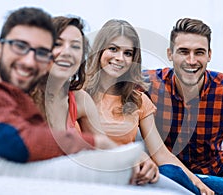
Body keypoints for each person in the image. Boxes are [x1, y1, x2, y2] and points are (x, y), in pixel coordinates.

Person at [29, 16, 193, 194]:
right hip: (66, 181)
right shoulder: (22, 96)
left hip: (111, 176)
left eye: (75, 46)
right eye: (58, 44)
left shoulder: (80, 99)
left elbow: (105, 145)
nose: (67, 52)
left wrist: (136, 156)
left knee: (173, 177)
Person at [143, 17, 223, 195]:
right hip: (173, 172)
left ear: (209, 55)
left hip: (215, 168)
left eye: (199, 52)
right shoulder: (149, 85)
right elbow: (110, 88)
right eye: (183, 51)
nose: (191, 60)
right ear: (170, 54)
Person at [84, 19, 213, 195]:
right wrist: (133, 157)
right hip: (99, 175)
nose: (119, 58)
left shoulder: (138, 100)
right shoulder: (78, 93)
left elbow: (161, 154)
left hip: (137, 176)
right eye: (113, 49)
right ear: (99, 50)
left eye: (128, 53)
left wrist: (197, 182)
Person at [0, 7, 117, 163]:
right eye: (20, 46)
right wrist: (95, 143)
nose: (29, 61)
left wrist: (133, 158)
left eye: (40, 52)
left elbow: (110, 154)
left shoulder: (77, 98)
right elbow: (11, 142)